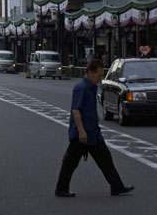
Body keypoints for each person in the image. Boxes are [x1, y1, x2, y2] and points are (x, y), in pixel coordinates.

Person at [55, 59, 133, 198]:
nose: (100, 78)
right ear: (90, 73)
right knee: (70, 162)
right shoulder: (81, 87)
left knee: (105, 160)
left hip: (92, 132)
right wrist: (81, 131)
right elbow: (76, 111)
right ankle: (61, 189)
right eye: (99, 75)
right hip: (82, 133)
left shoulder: (91, 86)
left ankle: (117, 186)